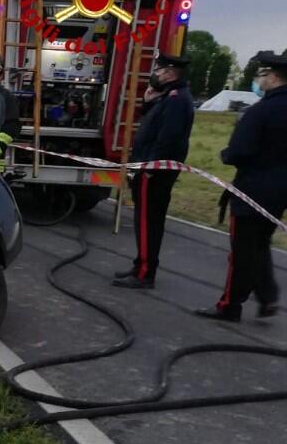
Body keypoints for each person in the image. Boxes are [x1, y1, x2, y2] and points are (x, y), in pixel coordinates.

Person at [195, 51, 287, 322]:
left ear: (271, 77)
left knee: (242, 250)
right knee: (259, 244)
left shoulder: (259, 112)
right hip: (280, 192)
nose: (260, 81)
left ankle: (229, 304)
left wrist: (226, 154)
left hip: (251, 189)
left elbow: (239, 151)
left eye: (262, 75)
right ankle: (267, 296)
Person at [113, 52, 195, 289]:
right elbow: (151, 125)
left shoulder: (177, 99)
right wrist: (148, 102)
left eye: (158, 71)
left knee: (148, 222)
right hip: (150, 166)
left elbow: (167, 138)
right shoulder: (167, 97)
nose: (154, 75)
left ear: (169, 73)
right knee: (143, 220)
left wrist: (150, 167)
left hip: (155, 170)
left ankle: (145, 274)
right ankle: (141, 264)